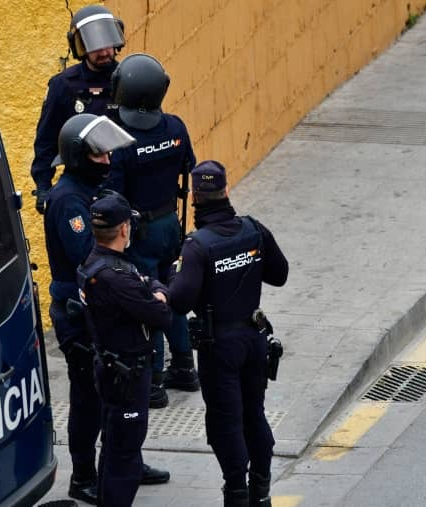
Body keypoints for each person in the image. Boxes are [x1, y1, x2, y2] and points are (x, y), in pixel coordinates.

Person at [167, 161, 289, 507]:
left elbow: (179, 301)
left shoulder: (197, 246)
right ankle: (261, 492)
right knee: (254, 412)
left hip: (218, 347)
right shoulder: (253, 230)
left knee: (226, 421)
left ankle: (236, 492)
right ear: (225, 191)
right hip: (254, 339)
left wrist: (174, 278)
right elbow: (279, 274)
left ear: (195, 197)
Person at [43, 113, 134, 504]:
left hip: (99, 309)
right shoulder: (68, 201)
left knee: (116, 393)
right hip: (77, 314)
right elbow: (88, 257)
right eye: (98, 156)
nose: (107, 161)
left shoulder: (92, 192)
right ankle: (83, 475)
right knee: (87, 397)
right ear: (79, 157)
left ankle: (123, 461)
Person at [105, 53, 199, 408]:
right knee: (171, 294)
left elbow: (112, 192)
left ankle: (155, 381)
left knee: (148, 301)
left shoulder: (120, 140)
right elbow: (188, 165)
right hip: (169, 225)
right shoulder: (175, 128)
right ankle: (185, 367)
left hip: (139, 231)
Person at [77, 192, 172, 506]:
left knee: (114, 449)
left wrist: (152, 289)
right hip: (127, 374)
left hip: (113, 368)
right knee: (124, 458)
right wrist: (156, 293)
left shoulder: (98, 263)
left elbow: (148, 283)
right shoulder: (116, 278)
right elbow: (161, 314)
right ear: (123, 230)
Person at [31, 4, 125, 215]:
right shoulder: (63, 86)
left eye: (107, 43)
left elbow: (147, 122)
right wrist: (43, 185)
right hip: (83, 183)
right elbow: (46, 140)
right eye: (95, 46)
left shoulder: (128, 77)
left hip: (123, 179)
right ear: (79, 47)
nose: (104, 51)